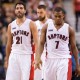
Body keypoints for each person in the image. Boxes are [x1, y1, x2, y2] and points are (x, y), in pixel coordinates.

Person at [35, 7, 80, 80]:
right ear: (53, 15)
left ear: (63, 16)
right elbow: (41, 44)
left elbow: (74, 47)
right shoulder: (46, 27)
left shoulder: (69, 29)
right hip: (50, 59)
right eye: (55, 16)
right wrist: (37, 58)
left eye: (59, 16)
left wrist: (77, 65)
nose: (57, 18)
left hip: (64, 59)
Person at [4, 1, 38, 80]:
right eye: (17, 8)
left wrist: (37, 58)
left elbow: (37, 42)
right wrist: (7, 59)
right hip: (14, 55)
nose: (19, 10)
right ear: (15, 11)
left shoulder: (31, 24)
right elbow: (9, 44)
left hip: (26, 55)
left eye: (21, 8)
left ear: (25, 10)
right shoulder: (11, 25)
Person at [34, 5, 53, 80]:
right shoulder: (34, 24)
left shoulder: (52, 23)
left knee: (48, 76)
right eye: (38, 12)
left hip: (50, 52)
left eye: (41, 12)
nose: (39, 14)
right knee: (37, 76)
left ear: (46, 12)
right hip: (38, 52)